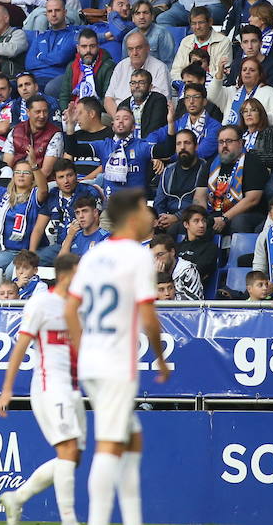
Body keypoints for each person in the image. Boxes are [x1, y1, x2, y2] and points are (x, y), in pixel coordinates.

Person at [64, 189, 168, 525]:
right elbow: (149, 316)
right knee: (109, 445)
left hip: (94, 359)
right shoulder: (136, 256)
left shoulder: (94, 254)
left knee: (132, 437)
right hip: (115, 363)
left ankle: (133, 518)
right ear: (132, 216)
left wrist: (83, 350)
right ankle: (97, 520)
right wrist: (161, 359)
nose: (149, 216)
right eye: (144, 210)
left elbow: (70, 309)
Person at [0, 252, 83, 525]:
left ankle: (17, 498)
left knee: (72, 457)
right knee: (68, 450)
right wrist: (8, 388)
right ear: (68, 274)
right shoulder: (42, 303)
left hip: (72, 387)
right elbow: (21, 346)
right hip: (49, 385)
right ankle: (69, 520)